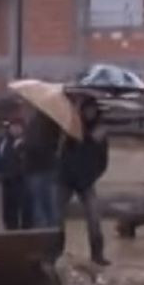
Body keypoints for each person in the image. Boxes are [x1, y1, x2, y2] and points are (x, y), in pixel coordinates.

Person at [57, 97, 110, 265]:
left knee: (94, 217)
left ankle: (97, 254)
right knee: (56, 217)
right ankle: (56, 252)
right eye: (87, 110)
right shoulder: (72, 127)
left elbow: (103, 160)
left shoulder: (100, 133)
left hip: (87, 181)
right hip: (66, 179)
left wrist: (93, 174)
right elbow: (63, 154)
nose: (89, 113)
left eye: (92, 110)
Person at [21, 109, 63, 229]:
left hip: (38, 167)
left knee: (40, 206)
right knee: (47, 205)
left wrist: (23, 145)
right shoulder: (45, 120)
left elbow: (36, 144)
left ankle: (45, 237)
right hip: (43, 167)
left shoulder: (42, 121)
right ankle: (51, 236)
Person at [0, 120, 27, 230]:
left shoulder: (24, 142)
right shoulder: (3, 141)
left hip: (20, 180)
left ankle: (22, 228)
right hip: (6, 179)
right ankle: (9, 227)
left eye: (18, 127)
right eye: (13, 127)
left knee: (20, 207)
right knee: (8, 207)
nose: (15, 129)